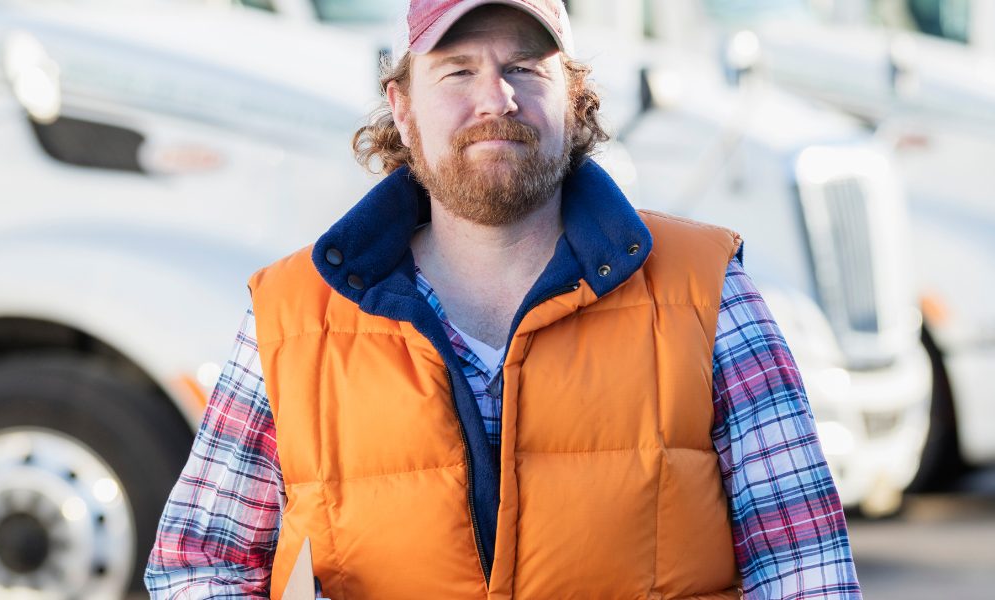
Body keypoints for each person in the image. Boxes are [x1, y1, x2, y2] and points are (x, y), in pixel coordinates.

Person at [143, 0, 860, 597]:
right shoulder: (292, 317)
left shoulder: (705, 291)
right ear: (403, 108)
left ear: (575, 101)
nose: (496, 99)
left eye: (524, 67)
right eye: (457, 70)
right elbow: (197, 565)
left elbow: (806, 568)